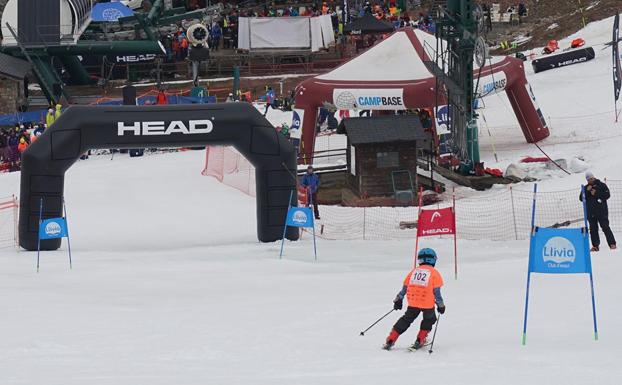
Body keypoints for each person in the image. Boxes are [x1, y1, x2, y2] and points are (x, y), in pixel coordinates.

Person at [383, 248, 445, 350]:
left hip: (413, 302)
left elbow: (404, 288)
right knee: (429, 319)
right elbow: (437, 293)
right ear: (433, 260)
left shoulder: (413, 271)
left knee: (406, 320)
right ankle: (420, 339)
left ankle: (391, 339)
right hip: (427, 303)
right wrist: (441, 305)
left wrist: (398, 299)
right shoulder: (434, 273)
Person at [580, 171, 616, 251]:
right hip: (591, 213)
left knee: (605, 227)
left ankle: (612, 244)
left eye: (591, 178)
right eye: (588, 179)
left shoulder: (601, 185)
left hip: (601, 211)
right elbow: (581, 198)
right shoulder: (586, 187)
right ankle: (595, 246)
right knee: (593, 229)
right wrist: (586, 191)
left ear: (594, 177)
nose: (590, 181)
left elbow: (607, 195)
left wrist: (596, 193)